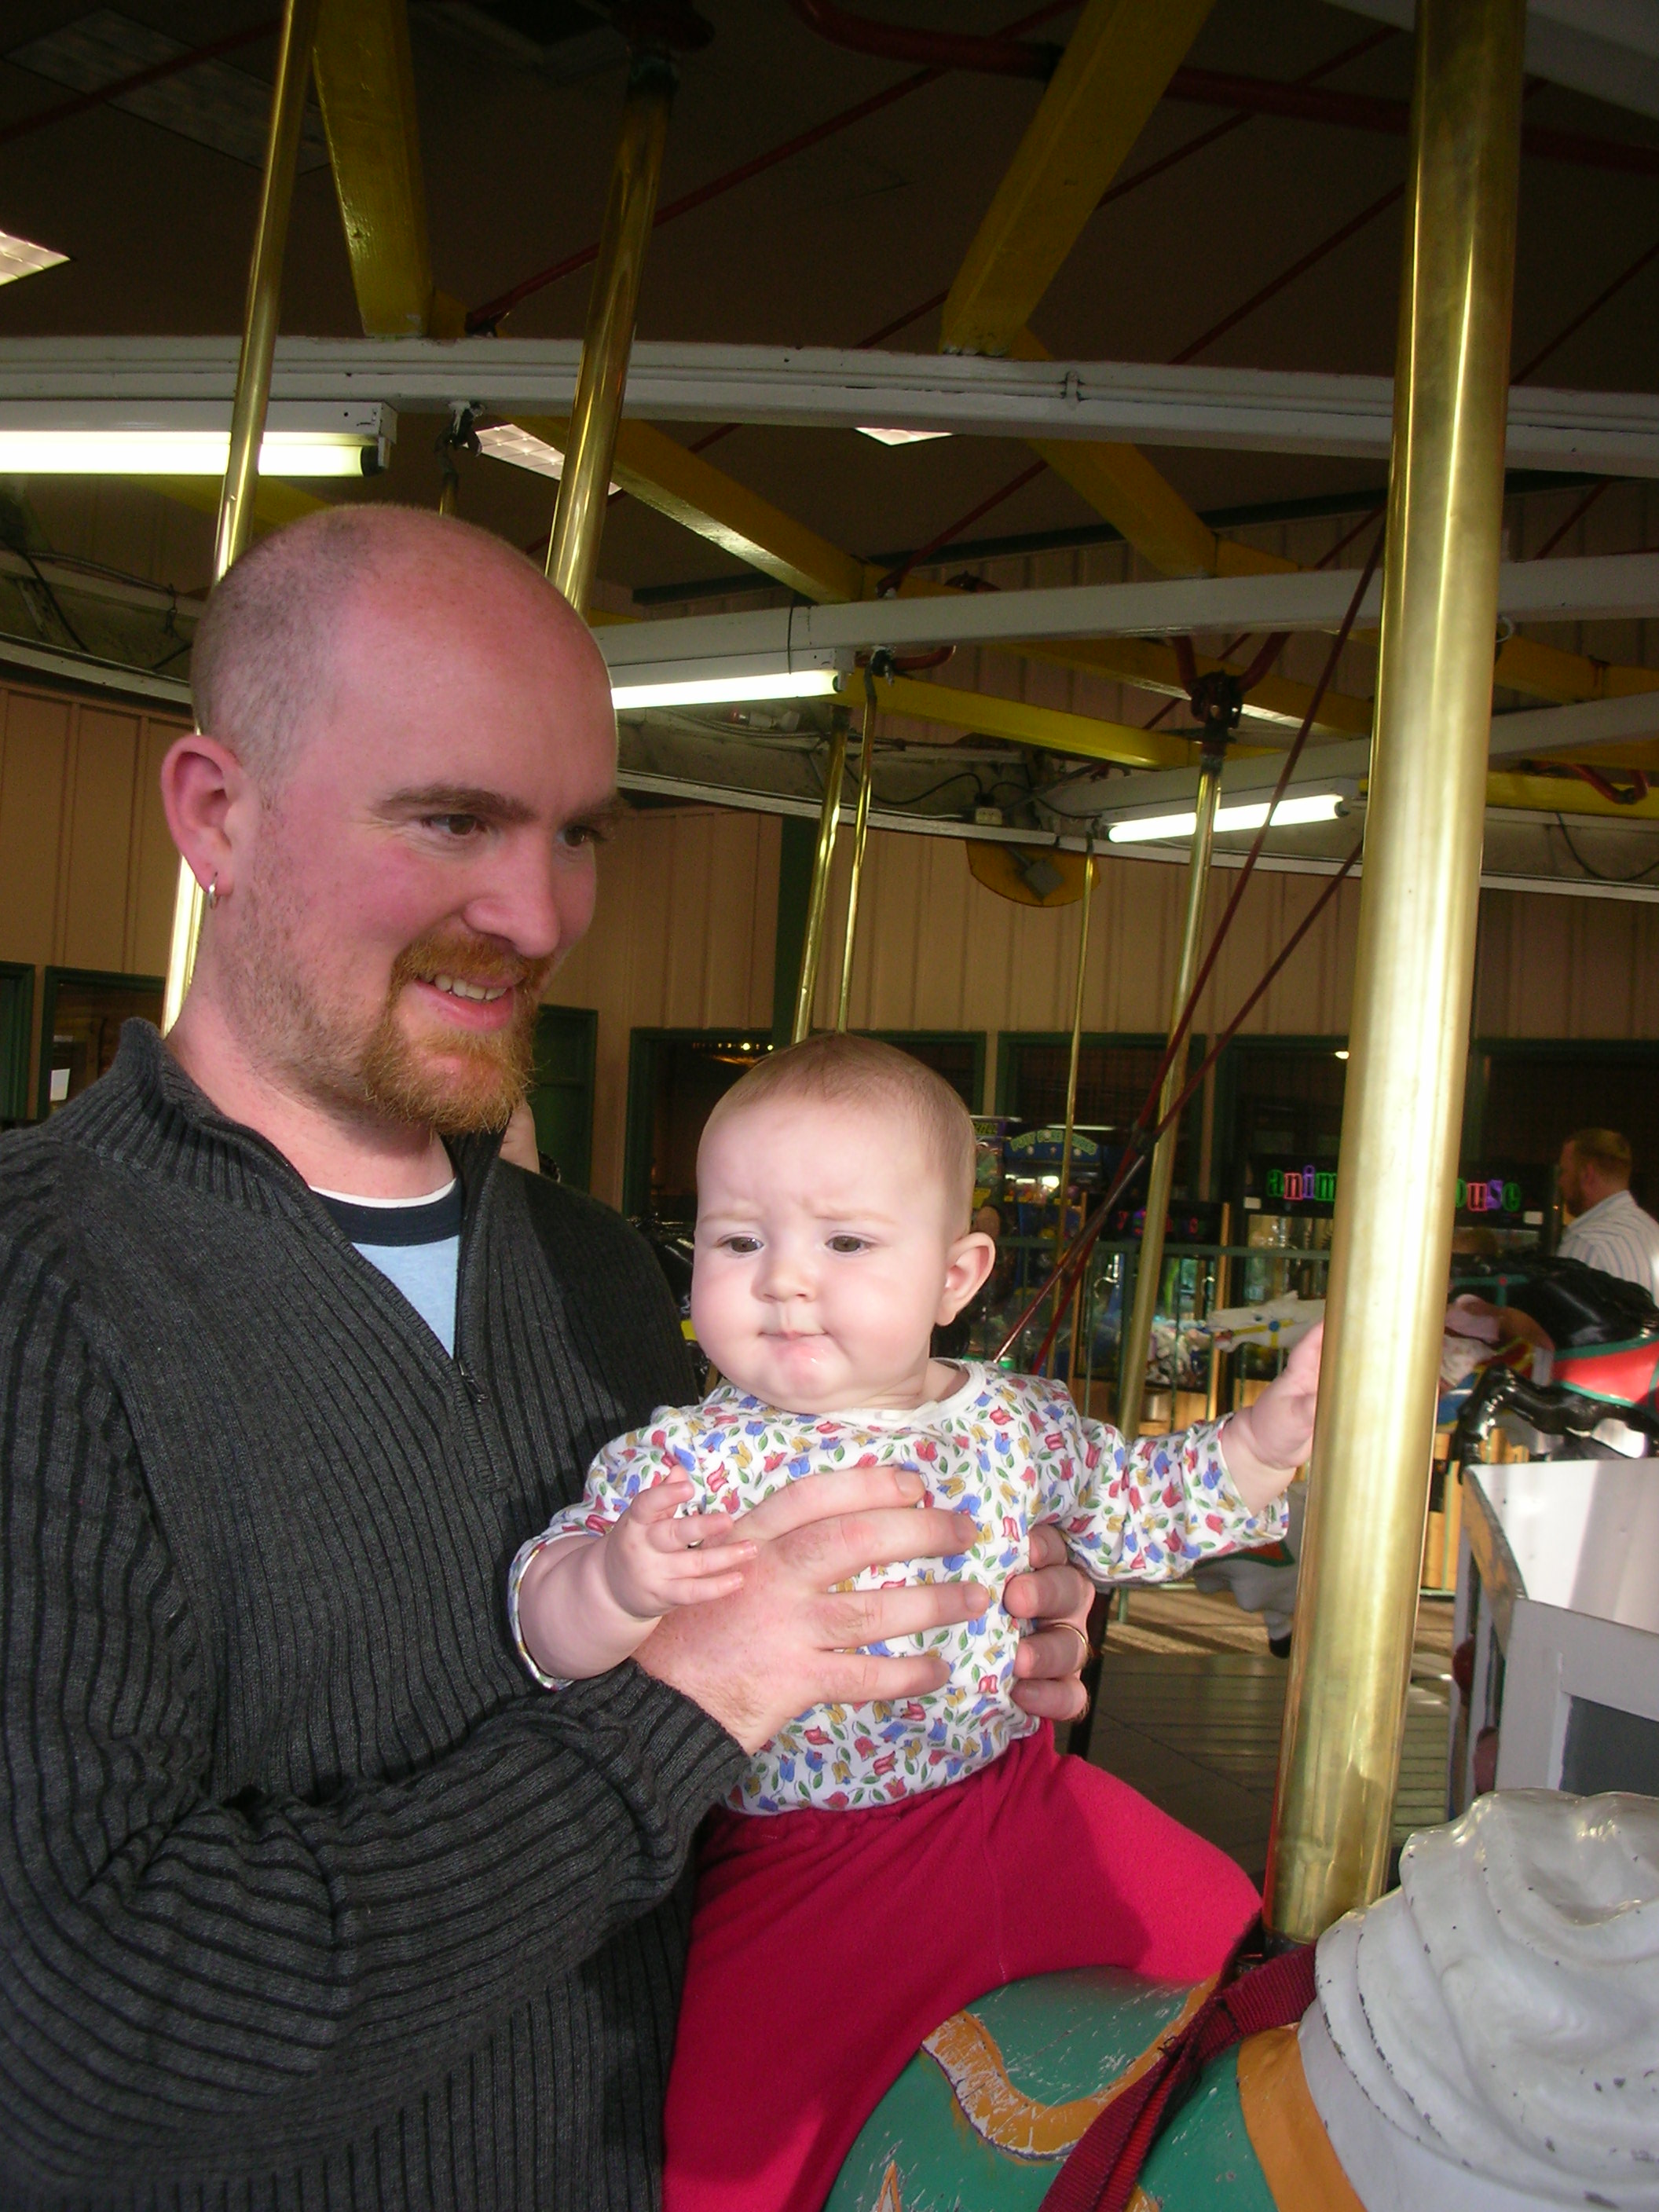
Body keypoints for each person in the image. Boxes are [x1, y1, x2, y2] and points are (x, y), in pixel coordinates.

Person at [0, 506, 1094, 2208]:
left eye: (577, 833)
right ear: (217, 814)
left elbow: (721, 1822)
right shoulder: (43, 1288)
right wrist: (685, 1706)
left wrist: (938, 1650)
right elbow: (79, 2042)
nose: (535, 912)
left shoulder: (601, 1273)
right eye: (452, 819)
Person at [511, 1033, 1321, 2212]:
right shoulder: (687, 1455)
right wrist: (612, 1582)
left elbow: (1140, 1506)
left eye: (845, 1242)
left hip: (1020, 1803)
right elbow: (543, 1616)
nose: (785, 1280)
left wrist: (1259, 1442)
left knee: (1230, 1966)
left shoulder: (1018, 1423)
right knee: (741, 2140)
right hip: (809, 1858)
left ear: (956, 1273)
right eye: (737, 1241)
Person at [1555, 1126, 1659, 1298]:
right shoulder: (1653, 1232)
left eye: (1564, 1172)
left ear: (1587, 1175)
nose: (1560, 1182)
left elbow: (1562, 1315)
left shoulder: (1587, 1244)